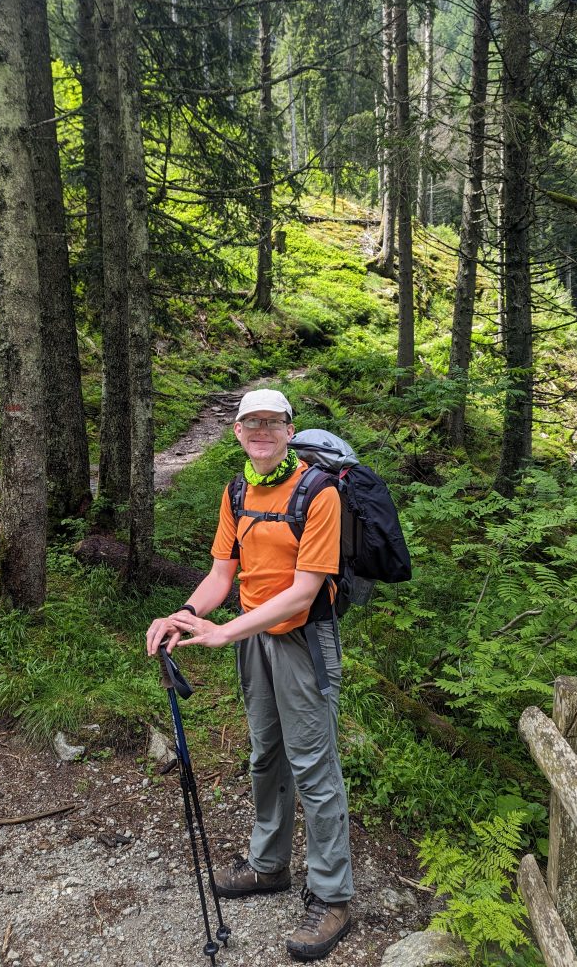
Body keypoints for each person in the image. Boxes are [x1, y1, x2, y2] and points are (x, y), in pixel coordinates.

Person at [146, 388, 353, 962]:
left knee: (313, 765)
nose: (261, 431)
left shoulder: (319, 491)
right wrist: (185, 615)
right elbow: (221, 575)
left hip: (304, 641)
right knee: (265, 754)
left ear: (290, 429)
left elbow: (304, 592)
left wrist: (225, 632)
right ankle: (268, 865)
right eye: (250, 423)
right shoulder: (237, 491)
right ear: (237, 432)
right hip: (254, 638)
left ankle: (332, 896)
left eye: (272, 422)